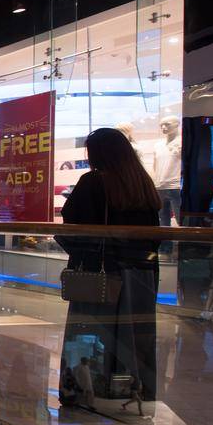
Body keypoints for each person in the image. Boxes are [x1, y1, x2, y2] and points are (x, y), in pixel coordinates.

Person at [56, 127, 161, 407]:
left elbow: (73, 223)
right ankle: (133, 387)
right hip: (140, 273)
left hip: (99, 272)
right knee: (135, 332)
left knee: (89, 330)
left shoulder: (92, 182)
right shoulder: (141, 182)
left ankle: (83, 387)